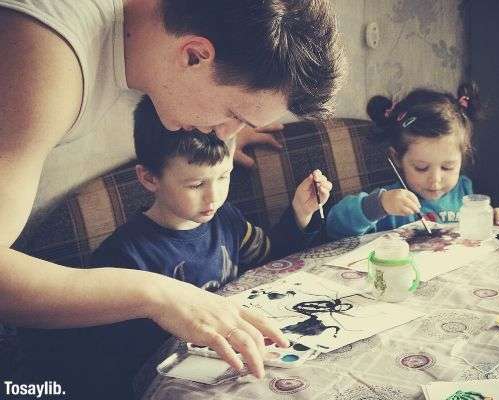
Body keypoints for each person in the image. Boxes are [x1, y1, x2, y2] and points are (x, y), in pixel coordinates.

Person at [0, 0, 344, 380]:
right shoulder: (44, 58)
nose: (224, 132)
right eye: (233, 114)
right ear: (195, 55)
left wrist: (226, 134)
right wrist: (164, 296)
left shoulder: (133, 33)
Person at [21, 96, 333, 398]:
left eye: (224, 177)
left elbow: (271, 260)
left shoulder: (226, 219)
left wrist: (300, 213)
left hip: (236, 366)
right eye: (196, 184)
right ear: (149, 178)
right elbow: (108, 362)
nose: (213, 198)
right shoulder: (124, 257)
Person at [326, 83, 499, 240]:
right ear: (397, 158)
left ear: (463, 156)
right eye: (421, 167)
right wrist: (377, 205)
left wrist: (494, 216)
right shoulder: (390, 201)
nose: (435, 180)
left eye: (447, 167)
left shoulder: (464, 192)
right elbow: (335, 227)